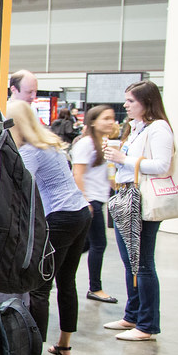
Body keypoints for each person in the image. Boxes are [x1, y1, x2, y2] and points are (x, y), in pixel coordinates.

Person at [7, 100, 91, 355]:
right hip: (79, 214)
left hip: (60, 218)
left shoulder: (31, 151)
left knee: (39, 288)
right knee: (67, 282)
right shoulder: (50, 144)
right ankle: (64, 345)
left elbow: (19, 187)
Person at [103, 80, 173, 342]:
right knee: (130, 262)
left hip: (142, 201)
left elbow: (163, 166)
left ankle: (147, 325)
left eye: (131, 101)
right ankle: (132, 315)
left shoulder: (159, 129)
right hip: (127, 197)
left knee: (142, 264)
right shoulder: (137, 128)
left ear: (146, 102)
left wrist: (124, 159)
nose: (125, 105)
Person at [71, 104, 118, 304]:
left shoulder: (103, 143)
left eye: (112, 118)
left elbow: (107, 174)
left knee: (85, 245)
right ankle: (95, 288)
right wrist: (85, 200)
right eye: (105, 118)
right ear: (92, 121)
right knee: (99, 244)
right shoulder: (86, 144)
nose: (111, 122)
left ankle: (51, 271)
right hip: (91, 202)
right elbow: (77, 174)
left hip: (99, 200)